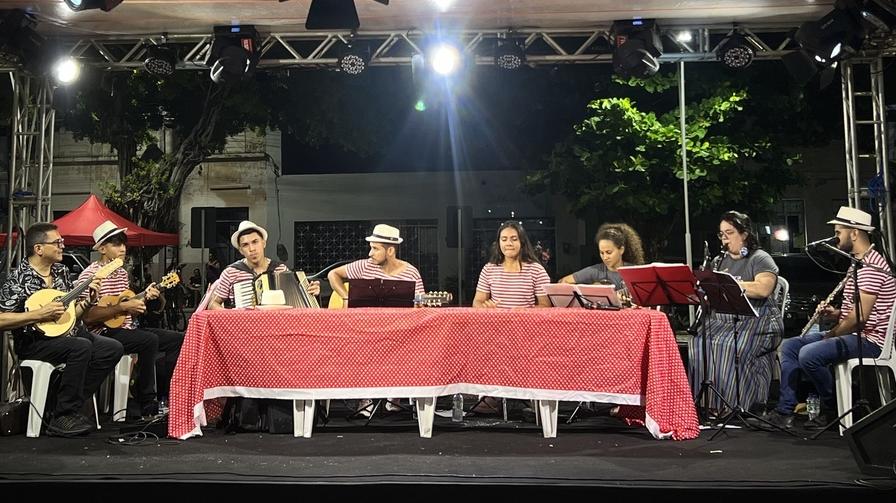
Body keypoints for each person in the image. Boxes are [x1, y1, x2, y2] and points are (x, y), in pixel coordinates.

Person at [754, 207, 895, 431]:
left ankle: (832, 409)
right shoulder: (858, 263)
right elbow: (855, 313)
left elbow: (859, 319)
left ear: (855, 233)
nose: (835, 238)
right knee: (790, 346)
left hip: (870, 340)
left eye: (838, 232)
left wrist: (831, 334)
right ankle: (785, 411)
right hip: (854, 333)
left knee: (809, 354)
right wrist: (835, 313)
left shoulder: (872, 267)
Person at [0, 222, 123, 436]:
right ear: (39, 249)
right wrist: (38, 314)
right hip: (36, 342)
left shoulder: (61, 272)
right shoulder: (18, 279)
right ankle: (62, 416)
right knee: (80, 347)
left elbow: (70, 314)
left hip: (69, 333)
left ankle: (64, 404)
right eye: (57, 242)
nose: (62, 246)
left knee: (111, 348)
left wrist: (88, 302)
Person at [79, 221, 184, 418]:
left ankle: (166, 395)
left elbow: (126, 311)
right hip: (102, 333)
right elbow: (88, 317)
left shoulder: (121, 273)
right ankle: (147, 402)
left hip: (126, 329)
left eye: (124, 244)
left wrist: (143, 300)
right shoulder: (90, 275)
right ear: (102, 249)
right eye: (116, 244)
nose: (123, 249)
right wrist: (123, 307)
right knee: (149, 340)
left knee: (178, 339)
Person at [688, 210, 784, 417]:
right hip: (727, 318)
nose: (725, 239)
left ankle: (736, 406)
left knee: (730, 346)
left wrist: (732, 285)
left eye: (729, 233)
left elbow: (764, 289)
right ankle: (707, 404)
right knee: (698, 341)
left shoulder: (760, 258)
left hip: (759, 319)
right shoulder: (718, 261)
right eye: (721, 234)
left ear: (744, 234)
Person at [327, 224, 424, 416]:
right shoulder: (364, 266)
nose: (370, 253)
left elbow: (419, 306)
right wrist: (345, 297)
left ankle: (394, 395)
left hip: (397, 332)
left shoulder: (411, 272)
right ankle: (366, 397)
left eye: (375, 248)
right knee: (359, 346)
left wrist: (418, 308)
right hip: (365, 332)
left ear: (390, 251)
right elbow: (333, 274)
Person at [208, 220, 320, 310]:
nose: (252, 249)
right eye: (245, 245)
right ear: (241, 250)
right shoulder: (230, 272)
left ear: (264, 243)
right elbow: (213, 304)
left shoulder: (280, 269)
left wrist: (310, 292)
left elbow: (293, 301)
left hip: (275, 327)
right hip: (243, 328)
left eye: (255, 242)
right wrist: (231, 315)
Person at [473, 220, 551, 309]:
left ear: (522, 242)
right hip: (496, 318)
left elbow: (546, 305)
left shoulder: (537, 270)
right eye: (504, 239)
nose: (509, 244)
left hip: (525, 318)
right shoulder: (488, 269)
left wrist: (527, 311)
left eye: (514, 239)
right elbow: (477, 302)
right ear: (499, 243)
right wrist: (485, 308)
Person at [560, 222, 646, 290]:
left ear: (621, 250)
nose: (605, 257)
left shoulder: (634, 271)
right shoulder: (595, 271)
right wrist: (590, 290)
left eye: (609, 252)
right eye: (602, 253)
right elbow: (563, 282)